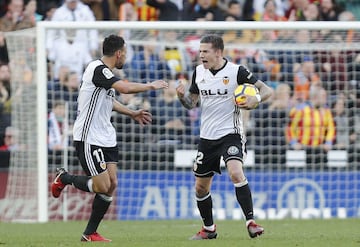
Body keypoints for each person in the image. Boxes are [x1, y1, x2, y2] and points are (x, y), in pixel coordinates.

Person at [50, 34, 168, 242]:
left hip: (106, 136)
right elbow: (124, 88)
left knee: (111, 184)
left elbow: (110, 101)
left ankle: (89, 233)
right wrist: (151, 85)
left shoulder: (106, 75)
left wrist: (131, 113)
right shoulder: (97, 69)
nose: (126, 58)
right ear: (119, 53)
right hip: (89, 137)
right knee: (102, 186)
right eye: (125, 53)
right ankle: (64, 178)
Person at [176, 35, 273, 240]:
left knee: (235, 173)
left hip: (231, 133)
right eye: (200, 51)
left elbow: (267, 90)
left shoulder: (237, 71)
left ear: (218, 52)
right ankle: (209, 229)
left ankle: (251, 222)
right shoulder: (198, 73)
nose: (201, 55)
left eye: (205, 51)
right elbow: (191, 103)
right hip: (207, 137)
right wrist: (181, 97)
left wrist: (255, 99)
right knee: (201, 188)